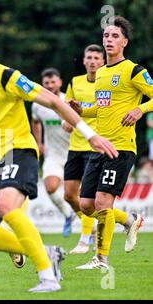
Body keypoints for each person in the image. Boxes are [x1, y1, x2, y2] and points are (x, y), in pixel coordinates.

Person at [0, 23, 117, 292]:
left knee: (6, 205)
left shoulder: (2, 76)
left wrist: (90, 135)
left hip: (19, 150)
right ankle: (46, 252)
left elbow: (55, 102)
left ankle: (48, 277)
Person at [70, 17, 152, 269]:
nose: (109, 40)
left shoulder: (134, 70)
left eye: (115, 36)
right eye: (106, 35)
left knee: (104, 202)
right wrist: (81, 111)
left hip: (121, 147)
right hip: (98, 148)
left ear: (125, 42)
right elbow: (102, 108)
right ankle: (129, 220)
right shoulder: (101, 73)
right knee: (86, 205)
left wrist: (141, 110)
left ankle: (101, 260)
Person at [63, 44, 105, 254]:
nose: (92, 61)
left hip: (95, 145)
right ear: (84, 61)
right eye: (89, 57)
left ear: (103, 62)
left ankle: (84, 240)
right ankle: (97, 224)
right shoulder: (75, 82)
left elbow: (106, 111)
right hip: (75, 146)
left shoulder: (106, 82)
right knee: (69, 195)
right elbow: (67, 107)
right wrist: (66, 121)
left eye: (97, 58)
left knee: (86, 197)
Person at [31, 68, 75, 237]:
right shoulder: (37, 104)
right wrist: (38, 142)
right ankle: (67, 214)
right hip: (53, 154)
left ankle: (91, 231)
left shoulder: (68, 101)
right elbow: (35, 122)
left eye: (53, 82)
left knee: (82, 197)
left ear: (60, 82)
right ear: (43, 84)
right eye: (46, 83)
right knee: (50, 187)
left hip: (74, 153)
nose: (50, 86)